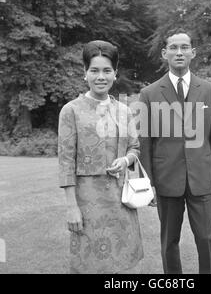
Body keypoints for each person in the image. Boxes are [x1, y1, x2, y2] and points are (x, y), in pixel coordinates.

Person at [139, 28, 211, 274]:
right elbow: (145, 143)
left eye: (184, 47)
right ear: (164, 54)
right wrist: (148, 184)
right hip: (166, 180)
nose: (179, 52)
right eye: (173, 48)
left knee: (206, 239)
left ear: (193, 53)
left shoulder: (209, 90)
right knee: (169, 242)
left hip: (201, 177)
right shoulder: (149, 94)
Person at [58, 40, 143, 274]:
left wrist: (125, 160)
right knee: (89, 264)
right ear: (85, 73)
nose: (100, 76)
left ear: (115, 74)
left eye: (107, 71)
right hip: (86, 203)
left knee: (118, 263)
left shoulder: (125, 111)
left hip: (120, 200)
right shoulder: (71, 111)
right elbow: (65, 162)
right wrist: (71, 207)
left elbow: (135, 149)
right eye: (94, 70)